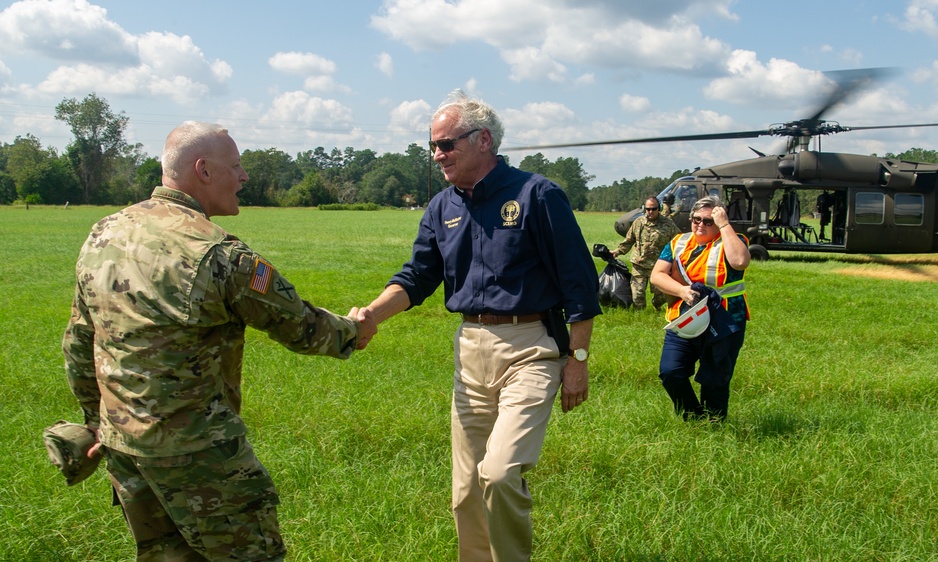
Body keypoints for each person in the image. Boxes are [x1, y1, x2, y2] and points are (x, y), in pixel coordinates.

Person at [62, 121, 376, 561]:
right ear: (204, 170)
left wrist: (94, 419)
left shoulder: (104, 233)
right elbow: (302, 328)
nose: (244, 176)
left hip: (125, 450)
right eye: (237, 165)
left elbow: (79, 343)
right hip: (200, 455)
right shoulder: (218, 253)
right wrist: (354, 330)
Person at [357, 90, 600, 562]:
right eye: (433, 145)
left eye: (447, 144)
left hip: (530, 347)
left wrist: (578, 361)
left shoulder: (537, 195)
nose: (437, 155)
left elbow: (580, 286)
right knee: (466, 489)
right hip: (470, 350)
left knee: (501, 473)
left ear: (483, 139)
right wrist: (371, 314)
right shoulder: (441, 206)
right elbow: (417, 277)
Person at [649, 196, 750, 422]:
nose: (701, 225)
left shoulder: (734, 240)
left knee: (715, 380)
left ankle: (713, 427)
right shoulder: (678, 242)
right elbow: (657, 275)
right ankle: (693, 417)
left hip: (724, 321)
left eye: (708, 221)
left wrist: (724, 225)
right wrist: (682, 291)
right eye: (696, 220)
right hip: (684, 319)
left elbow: (740, 262)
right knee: (670, 371)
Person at [611, 196, 680, 310]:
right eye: (648, 209)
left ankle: (656, 305)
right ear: (644, 209)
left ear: (659, 208)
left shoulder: (668, 224)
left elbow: (678, 241)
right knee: (638, 297)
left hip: (659, 267)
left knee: (661, 297)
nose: (650, 212)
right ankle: (639, 317)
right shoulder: (638, 223)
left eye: (654, 209)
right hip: (640, 265)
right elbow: (629, 241)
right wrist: (617, 252)